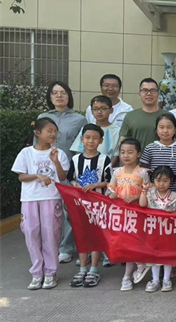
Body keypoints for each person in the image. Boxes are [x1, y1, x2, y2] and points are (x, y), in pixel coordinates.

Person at [12, 118, 70, 290]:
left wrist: (55, 161)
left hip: (51, 197)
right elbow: (21, 176)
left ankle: (50, 272)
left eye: (55, 131)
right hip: (30, 199)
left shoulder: (59, 153)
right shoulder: (26, 153)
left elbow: (63, 177)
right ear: (37, 133)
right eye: (49, 131)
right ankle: (37, 273)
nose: (53, 134)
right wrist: (37, 175)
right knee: (31, 233)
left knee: (50, 234)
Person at [38, 82, 87, 265]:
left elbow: (83, 146)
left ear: (69, 96)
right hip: (45, 170)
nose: (59, 96)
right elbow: (36, 145)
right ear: (50, 97)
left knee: (70, 211)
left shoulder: (79, 119)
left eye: (63, 93)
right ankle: (50, 246)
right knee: (48, 210)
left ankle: (65, 248)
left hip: (68, 171)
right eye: (55, 93)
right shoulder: (42, 117)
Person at [67, 124, 112, 289]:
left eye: (95, 138)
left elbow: (110, 181)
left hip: (98, 204)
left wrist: (95, 185)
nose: (91, 141)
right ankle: (82, 269)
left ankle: (93, 269)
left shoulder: (104, 159)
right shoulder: (75, 159)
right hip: (80, 204)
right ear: (81, 140)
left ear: (101, 141)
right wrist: (75, 184)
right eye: (87, 137)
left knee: (96, 235)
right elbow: (70, 177)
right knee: (82, 235)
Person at [105, 139, 150, 291]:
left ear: (138, 154)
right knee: (125, 243)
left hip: (137, 213)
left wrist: (136, 197)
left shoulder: (143, 173)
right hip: (121, 214)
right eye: (123, 152)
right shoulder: (117, 172)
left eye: (130, 152)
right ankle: (129, 273)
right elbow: (110, 189)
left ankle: (136, 268)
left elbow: (149, 192)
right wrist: (111, 194)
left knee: (136, 241)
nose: (126, 155)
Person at [139, 165, 176, 293]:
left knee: (167, 255)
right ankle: (155, 280)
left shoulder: (174, 195)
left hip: (168, 231)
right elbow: (142, 204)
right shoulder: (150, 193)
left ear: (171, 181)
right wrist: (143, 192)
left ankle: (166, 279)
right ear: (153, 180)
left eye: (165, 181)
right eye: (158, 181)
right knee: (154, 256)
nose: (161, 184)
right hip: (153, 230)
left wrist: (174, 210)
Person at [119, 78, 167, 151]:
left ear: (158, 94)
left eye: (153, 90)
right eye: (145, 90)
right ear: (139, 94)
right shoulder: (130, 116)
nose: (149, 93)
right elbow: (123, 142)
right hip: (137, 158)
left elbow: (174, 141)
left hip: (161, 157)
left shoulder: (167, 116)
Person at [71, 96, 121, 161]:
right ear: (91, 111)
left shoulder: (117, 131)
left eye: (103, 109)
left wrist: (108, 166)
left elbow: (116, 155)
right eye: (95, 109)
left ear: (111, 110)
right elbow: (79, 150)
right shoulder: (87, 129)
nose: (99, 112)